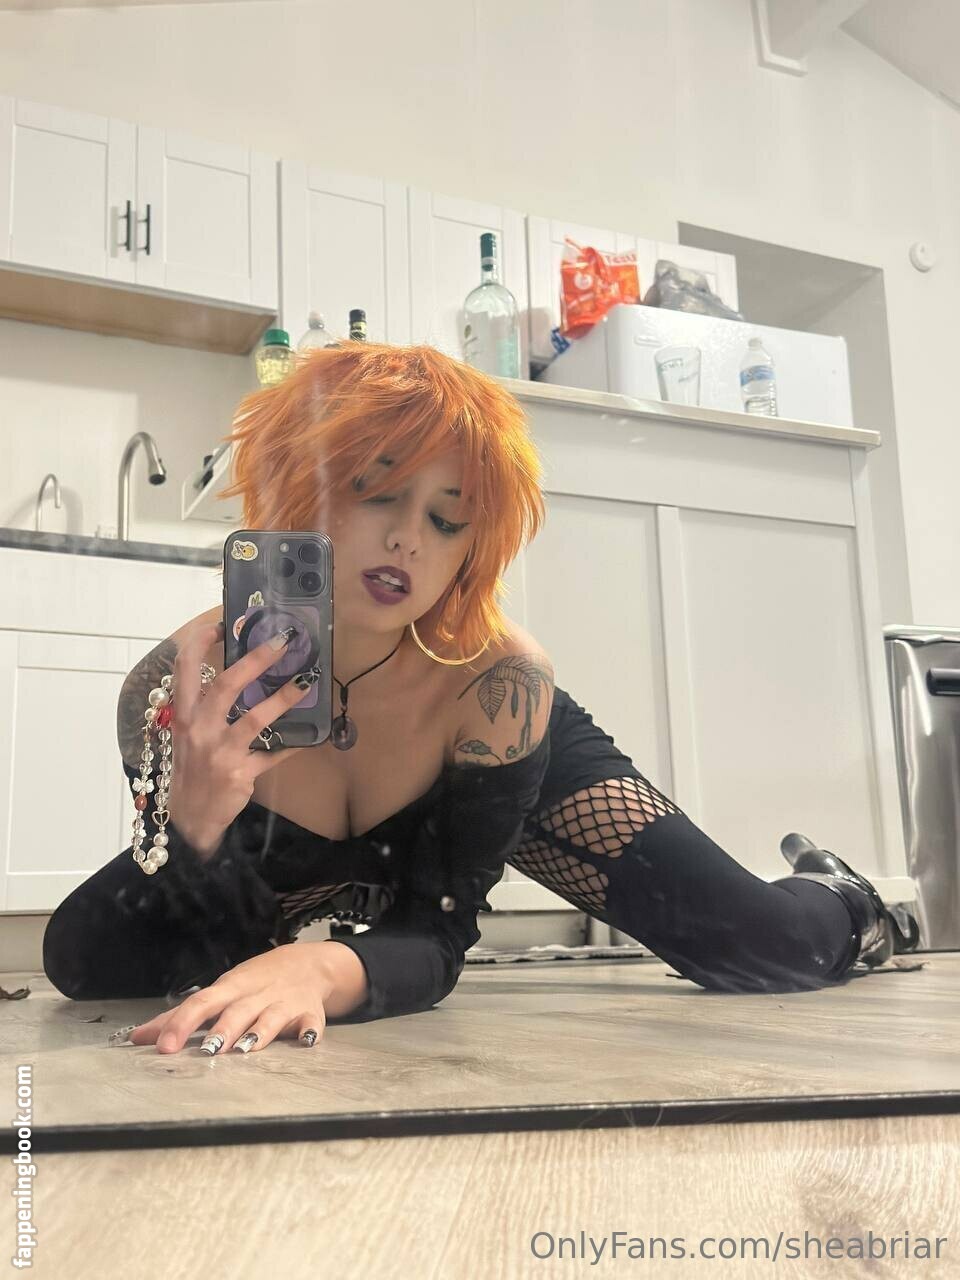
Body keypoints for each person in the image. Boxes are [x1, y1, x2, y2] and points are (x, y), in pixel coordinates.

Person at [42, 342, 919, 1055]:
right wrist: (197, 827)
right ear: (298, 488)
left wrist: (321, 971)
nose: (406, 538)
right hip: (294, 845)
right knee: (85, 957)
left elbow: (437, 934)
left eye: (446, 518)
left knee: (766, 948)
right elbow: (182, 955)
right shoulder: (175, 691)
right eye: (377, 491)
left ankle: (846, 898)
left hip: (492, 752)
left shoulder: (504, 682)